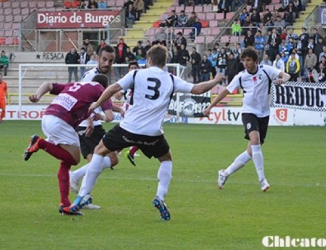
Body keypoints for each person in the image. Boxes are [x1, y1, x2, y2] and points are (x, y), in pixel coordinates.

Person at [68, 45, 225, 220]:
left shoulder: (136, 74)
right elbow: (198, 89)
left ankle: (83, 195)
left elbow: (113, 89)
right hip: (153, 133)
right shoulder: (171, 79)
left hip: (128, 128)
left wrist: (97, 104)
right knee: (166, 159)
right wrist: (216, 80)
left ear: (148, 60)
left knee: (99, 151)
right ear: (165, 62)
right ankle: (160, 196)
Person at [203, 48, 291, 192]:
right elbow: (225, 91)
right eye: (243, 60)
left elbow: (286, 75)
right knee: (255, 140)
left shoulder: (266, 70)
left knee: (251, 151)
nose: (245, 63)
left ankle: (225, 173)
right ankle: (262, 180)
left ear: (255, 61)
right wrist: (210, 107)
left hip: (264, 114)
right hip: (249, 112)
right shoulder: (240, 77)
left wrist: (282, 81)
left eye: (248, 60)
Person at [23, 74, 112, 216]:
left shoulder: (74, 85)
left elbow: (48, 84)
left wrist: (38, 96)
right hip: (61, 121)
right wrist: (101, 116)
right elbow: (110, 117)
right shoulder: (100, 89)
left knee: (66, 161)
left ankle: (64, 204)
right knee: (75, 159)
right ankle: (40, 143)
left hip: (48, 117)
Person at [69, 45, 120, 208]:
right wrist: (89, 120)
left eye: (110, 61)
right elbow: (83, 99)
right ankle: (79, 185)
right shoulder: (92, 76)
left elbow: (100, 101)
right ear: (97, 58)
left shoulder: (99, 76)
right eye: (104, 59)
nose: (107, 63)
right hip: (87, 124)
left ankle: (80, 186)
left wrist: (119, 109)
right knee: (108, 159)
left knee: (106, 160)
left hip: (92, 123)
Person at [114, 61, 141, 166]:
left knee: (137, 134)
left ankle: (120, 152)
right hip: (130, 111)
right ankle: (122, 152)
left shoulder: (141, 80)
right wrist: (118, 93)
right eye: (131, 68)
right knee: (141, 134)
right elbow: (119, 94)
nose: (133, 69)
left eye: (135, 67)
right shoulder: (128, 82)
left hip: (139, 111)